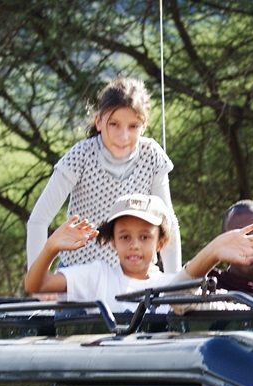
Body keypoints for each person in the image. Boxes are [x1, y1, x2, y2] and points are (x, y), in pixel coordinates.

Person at [26, 77, 182, 274]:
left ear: (144, 125)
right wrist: (38, 282)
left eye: (133, 126)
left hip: (133, 280)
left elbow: (168, 223)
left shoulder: (152, 156)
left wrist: (174, 284)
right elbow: (38, 220)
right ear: (99, 122)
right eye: (114, 124)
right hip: (79, 277)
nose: (123, 136)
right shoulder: (81, 155)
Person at [24, 193, 253, 312]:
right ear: (113, 242)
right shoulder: (97, 276)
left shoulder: (173, 284)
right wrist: (50, 248)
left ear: (161, 243)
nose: (134, 245)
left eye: (144, 237)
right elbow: (36, 284)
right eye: (125, 237)